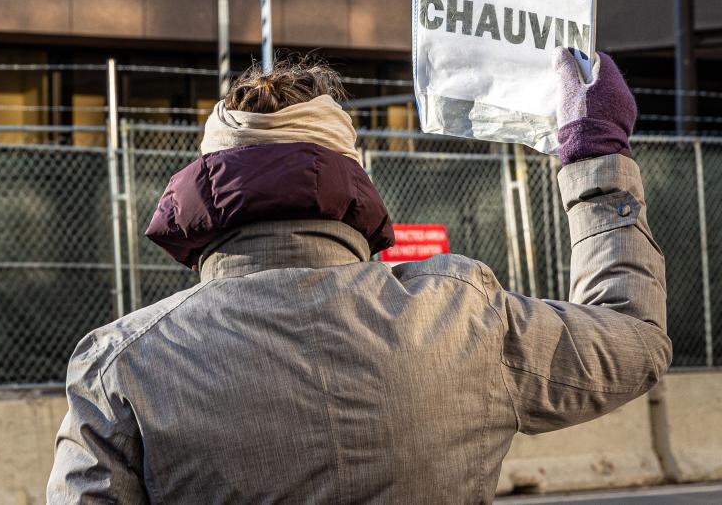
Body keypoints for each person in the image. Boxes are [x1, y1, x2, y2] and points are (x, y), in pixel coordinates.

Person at [47, 49, 670, 504]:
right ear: (351, 182)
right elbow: (635, 337)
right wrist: (596, 158)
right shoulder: (462, 316)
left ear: (205, 189)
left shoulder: (122, 367)